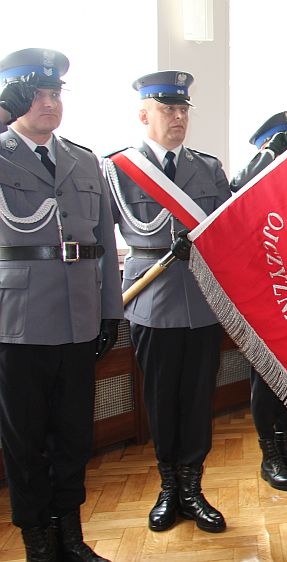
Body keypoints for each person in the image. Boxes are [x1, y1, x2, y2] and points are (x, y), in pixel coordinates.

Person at [0, 48, 123, 562]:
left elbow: (103, 238)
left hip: (78, 318)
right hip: (18, 325)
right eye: (38, 93)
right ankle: (37, 543)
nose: (50, 103)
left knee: (73, 436)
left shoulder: (84, 159)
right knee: (25, 442)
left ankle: (70, 535)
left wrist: (110, 312)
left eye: (56, 94)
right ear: (16, 97)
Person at [103, 71, 230, 533]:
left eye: (183, 110)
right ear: (144, 115)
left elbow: (227, 230)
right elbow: (103, 236)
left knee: (198, 399)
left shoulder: (209, 168)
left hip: (200, 299)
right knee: (160, 400)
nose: (178, 117)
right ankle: (168, 488)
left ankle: (193, 488)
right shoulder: (117, 169)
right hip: (150, 297)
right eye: (167, 109)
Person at [230, 111, 287, 491]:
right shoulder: (253, 176)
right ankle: (269, 456)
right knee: (265, 377)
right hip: (260, 291)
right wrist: (268, 157)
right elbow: (234, 193)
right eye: (284, 142)